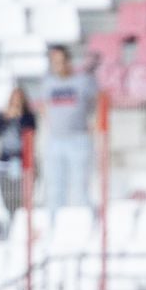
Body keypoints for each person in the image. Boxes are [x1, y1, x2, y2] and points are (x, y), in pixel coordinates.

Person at [37, 47, 98, 211]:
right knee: (55, 188)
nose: (59, 65)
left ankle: (86, 226)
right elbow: (44, 106)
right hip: (56, 139)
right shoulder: (48, 83)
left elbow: (95, 102)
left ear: (68, 61)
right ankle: (53, 228)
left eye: (61, 61)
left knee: (80, 187)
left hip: (79, 138)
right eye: (55, 62)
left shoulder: (83, 81)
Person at [0, 87, 37, 175]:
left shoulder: (28, 116)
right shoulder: (4, 114)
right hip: (5, 156)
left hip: (21, 157)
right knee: (5, 185)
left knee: (20, 185)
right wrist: (6, 118)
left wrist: (20, 117)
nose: (16, 101)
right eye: (14, 98)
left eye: (19, 98)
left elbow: (31, 131)